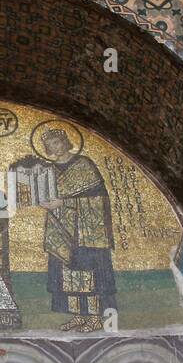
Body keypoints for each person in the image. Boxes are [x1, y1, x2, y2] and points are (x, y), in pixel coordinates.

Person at [37, 129, 117, 331]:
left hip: (87, 231)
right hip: (62, 229)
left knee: (89, 273)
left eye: (58, 141)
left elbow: (100, 198)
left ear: (66, 141)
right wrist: (46, 203)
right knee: (68, 274)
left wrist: (63, 202)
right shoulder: (49, 170)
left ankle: (96, 317)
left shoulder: (84, 165)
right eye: (52, 144)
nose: (56, 146)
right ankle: (77, 316)